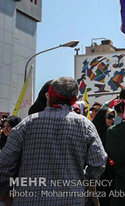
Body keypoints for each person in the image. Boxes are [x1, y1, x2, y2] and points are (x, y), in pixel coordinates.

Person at [0, 76, 107, 204]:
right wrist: (81, 185)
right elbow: (98, 163)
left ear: (48, 96)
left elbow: (4, 164)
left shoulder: (26, 124)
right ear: (74, 99)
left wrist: (5, 192)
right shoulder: (85, 125)